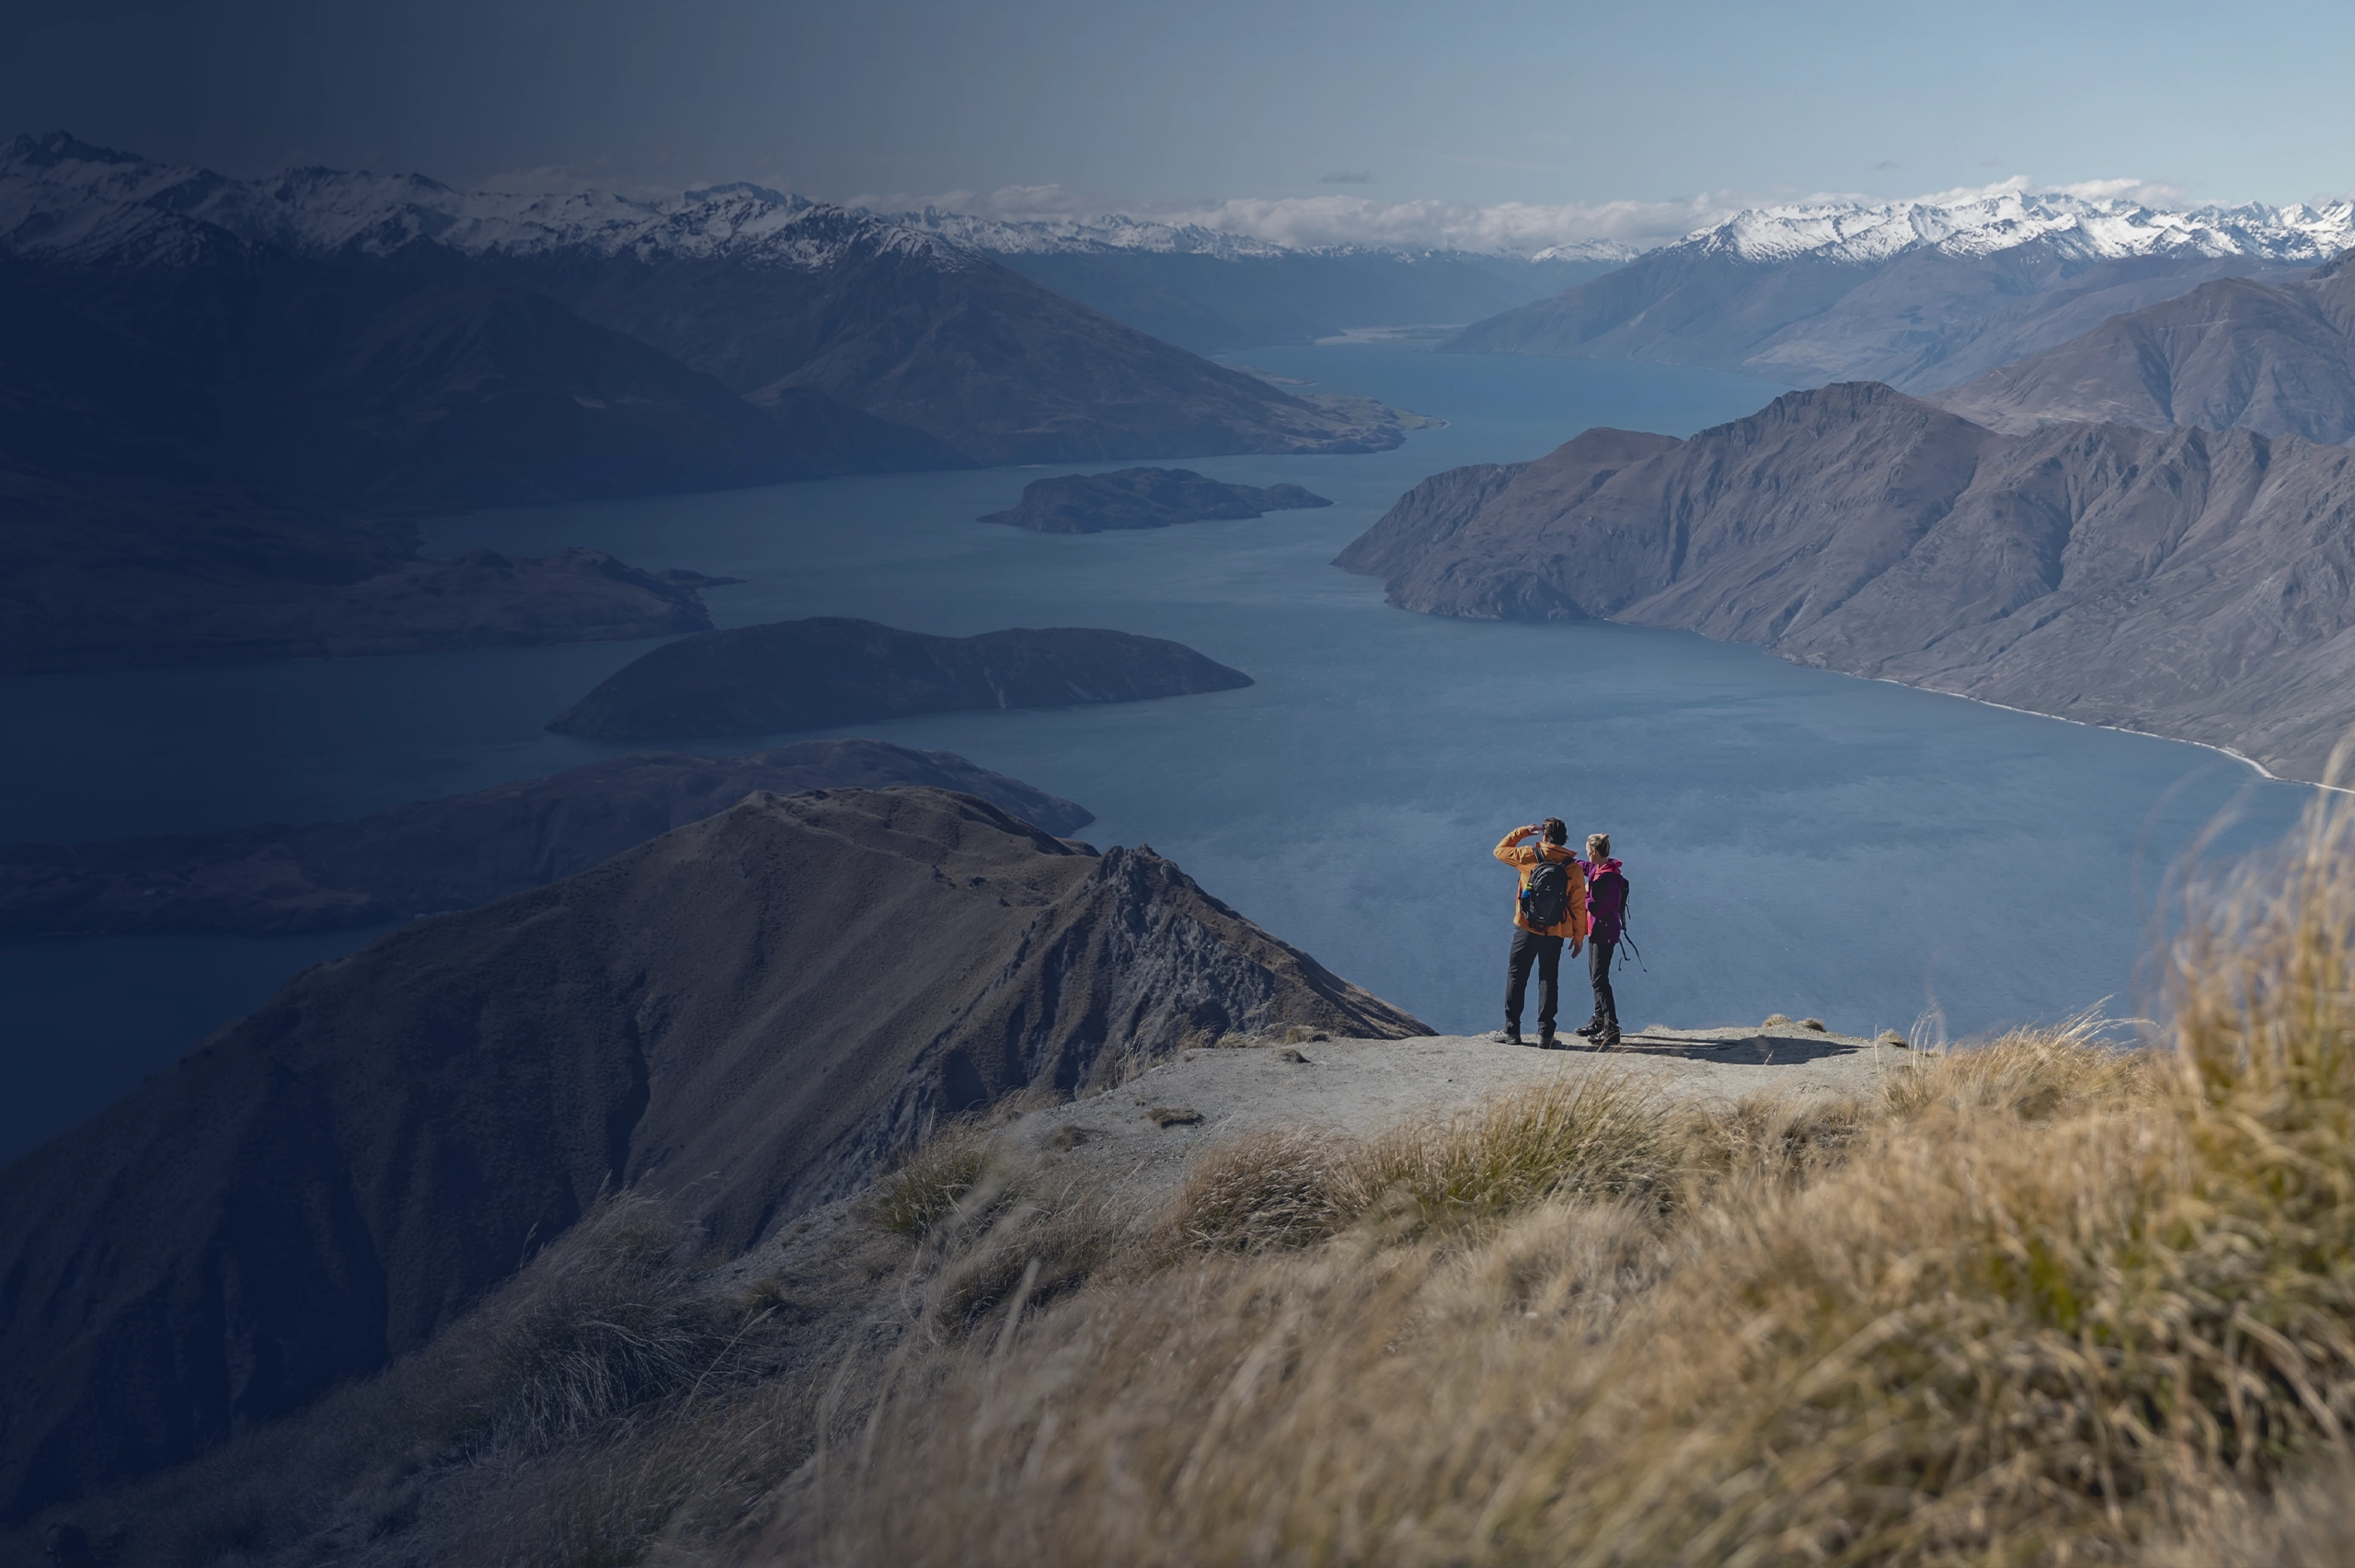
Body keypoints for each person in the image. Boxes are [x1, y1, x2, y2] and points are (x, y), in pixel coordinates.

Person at [1491, 818, 1588, 1047]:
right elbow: (1577, 905)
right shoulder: (1573, 869)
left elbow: (1499, 851)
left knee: (1517, 975)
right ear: (1565, 839)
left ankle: (1512, 1031)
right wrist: (1578, 936)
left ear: (1544, 837)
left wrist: (1522, 831)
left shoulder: (1528, 856)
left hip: (1526, 926)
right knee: (1548, 979)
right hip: (1555, 931)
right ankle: (1545, 1035)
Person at [1576, 833, 1627, 1047]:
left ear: (1594, 852)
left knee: (1600, 979)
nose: (1587, 856)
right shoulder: (1600, 868)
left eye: (1588, 852)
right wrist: (1565, 860)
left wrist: (1585, 893)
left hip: (1604, 934)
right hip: (1597, 932)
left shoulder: (1607, 879)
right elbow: (1586, 867)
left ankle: (1611, 1028)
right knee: (1595, 976)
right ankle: (1599, 1020)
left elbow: (1597, 907)